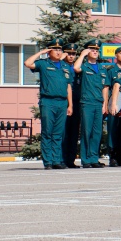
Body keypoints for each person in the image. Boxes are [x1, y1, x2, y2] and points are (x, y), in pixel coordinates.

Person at [24, 39, 73, 170]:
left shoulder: (65, 66)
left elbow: (68, 86)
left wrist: (70, 105)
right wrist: (41, 52)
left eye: (59, 49)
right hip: (48, 101)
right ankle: (48, 162)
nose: (58, 52)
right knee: (47, 132)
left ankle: (57, 160)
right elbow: (27, 63)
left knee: (58, 133)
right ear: (49, 51)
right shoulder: (44, 64)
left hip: (62, 102)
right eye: (55, 49)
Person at [73, 39, 108, 168]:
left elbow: (105, 87)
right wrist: (82, 54)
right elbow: (76, 68)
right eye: (92, 50)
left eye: (97, 50)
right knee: (86, 131)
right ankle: (86, 159)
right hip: (87, 102)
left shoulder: (101, 68)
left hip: (99, 103)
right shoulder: (84, 66)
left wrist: (105, 104)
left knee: (97, 132)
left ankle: (94, 158)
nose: (95, 52)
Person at [105, 46, 121, 166]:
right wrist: (106, 105)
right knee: (113, 130)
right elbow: (106, 88)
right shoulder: (111, 71)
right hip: (114, 104)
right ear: (116, 56)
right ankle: (113, 156)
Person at [60, 43, 81, 168]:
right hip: (64, 103)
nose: (71, 56)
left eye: (74, 54)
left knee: (73, 133)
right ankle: (61, 159)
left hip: (76, 103)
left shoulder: (76, 68)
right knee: (63, 132)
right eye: (69, 53)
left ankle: (70, 160)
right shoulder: (61, 67)